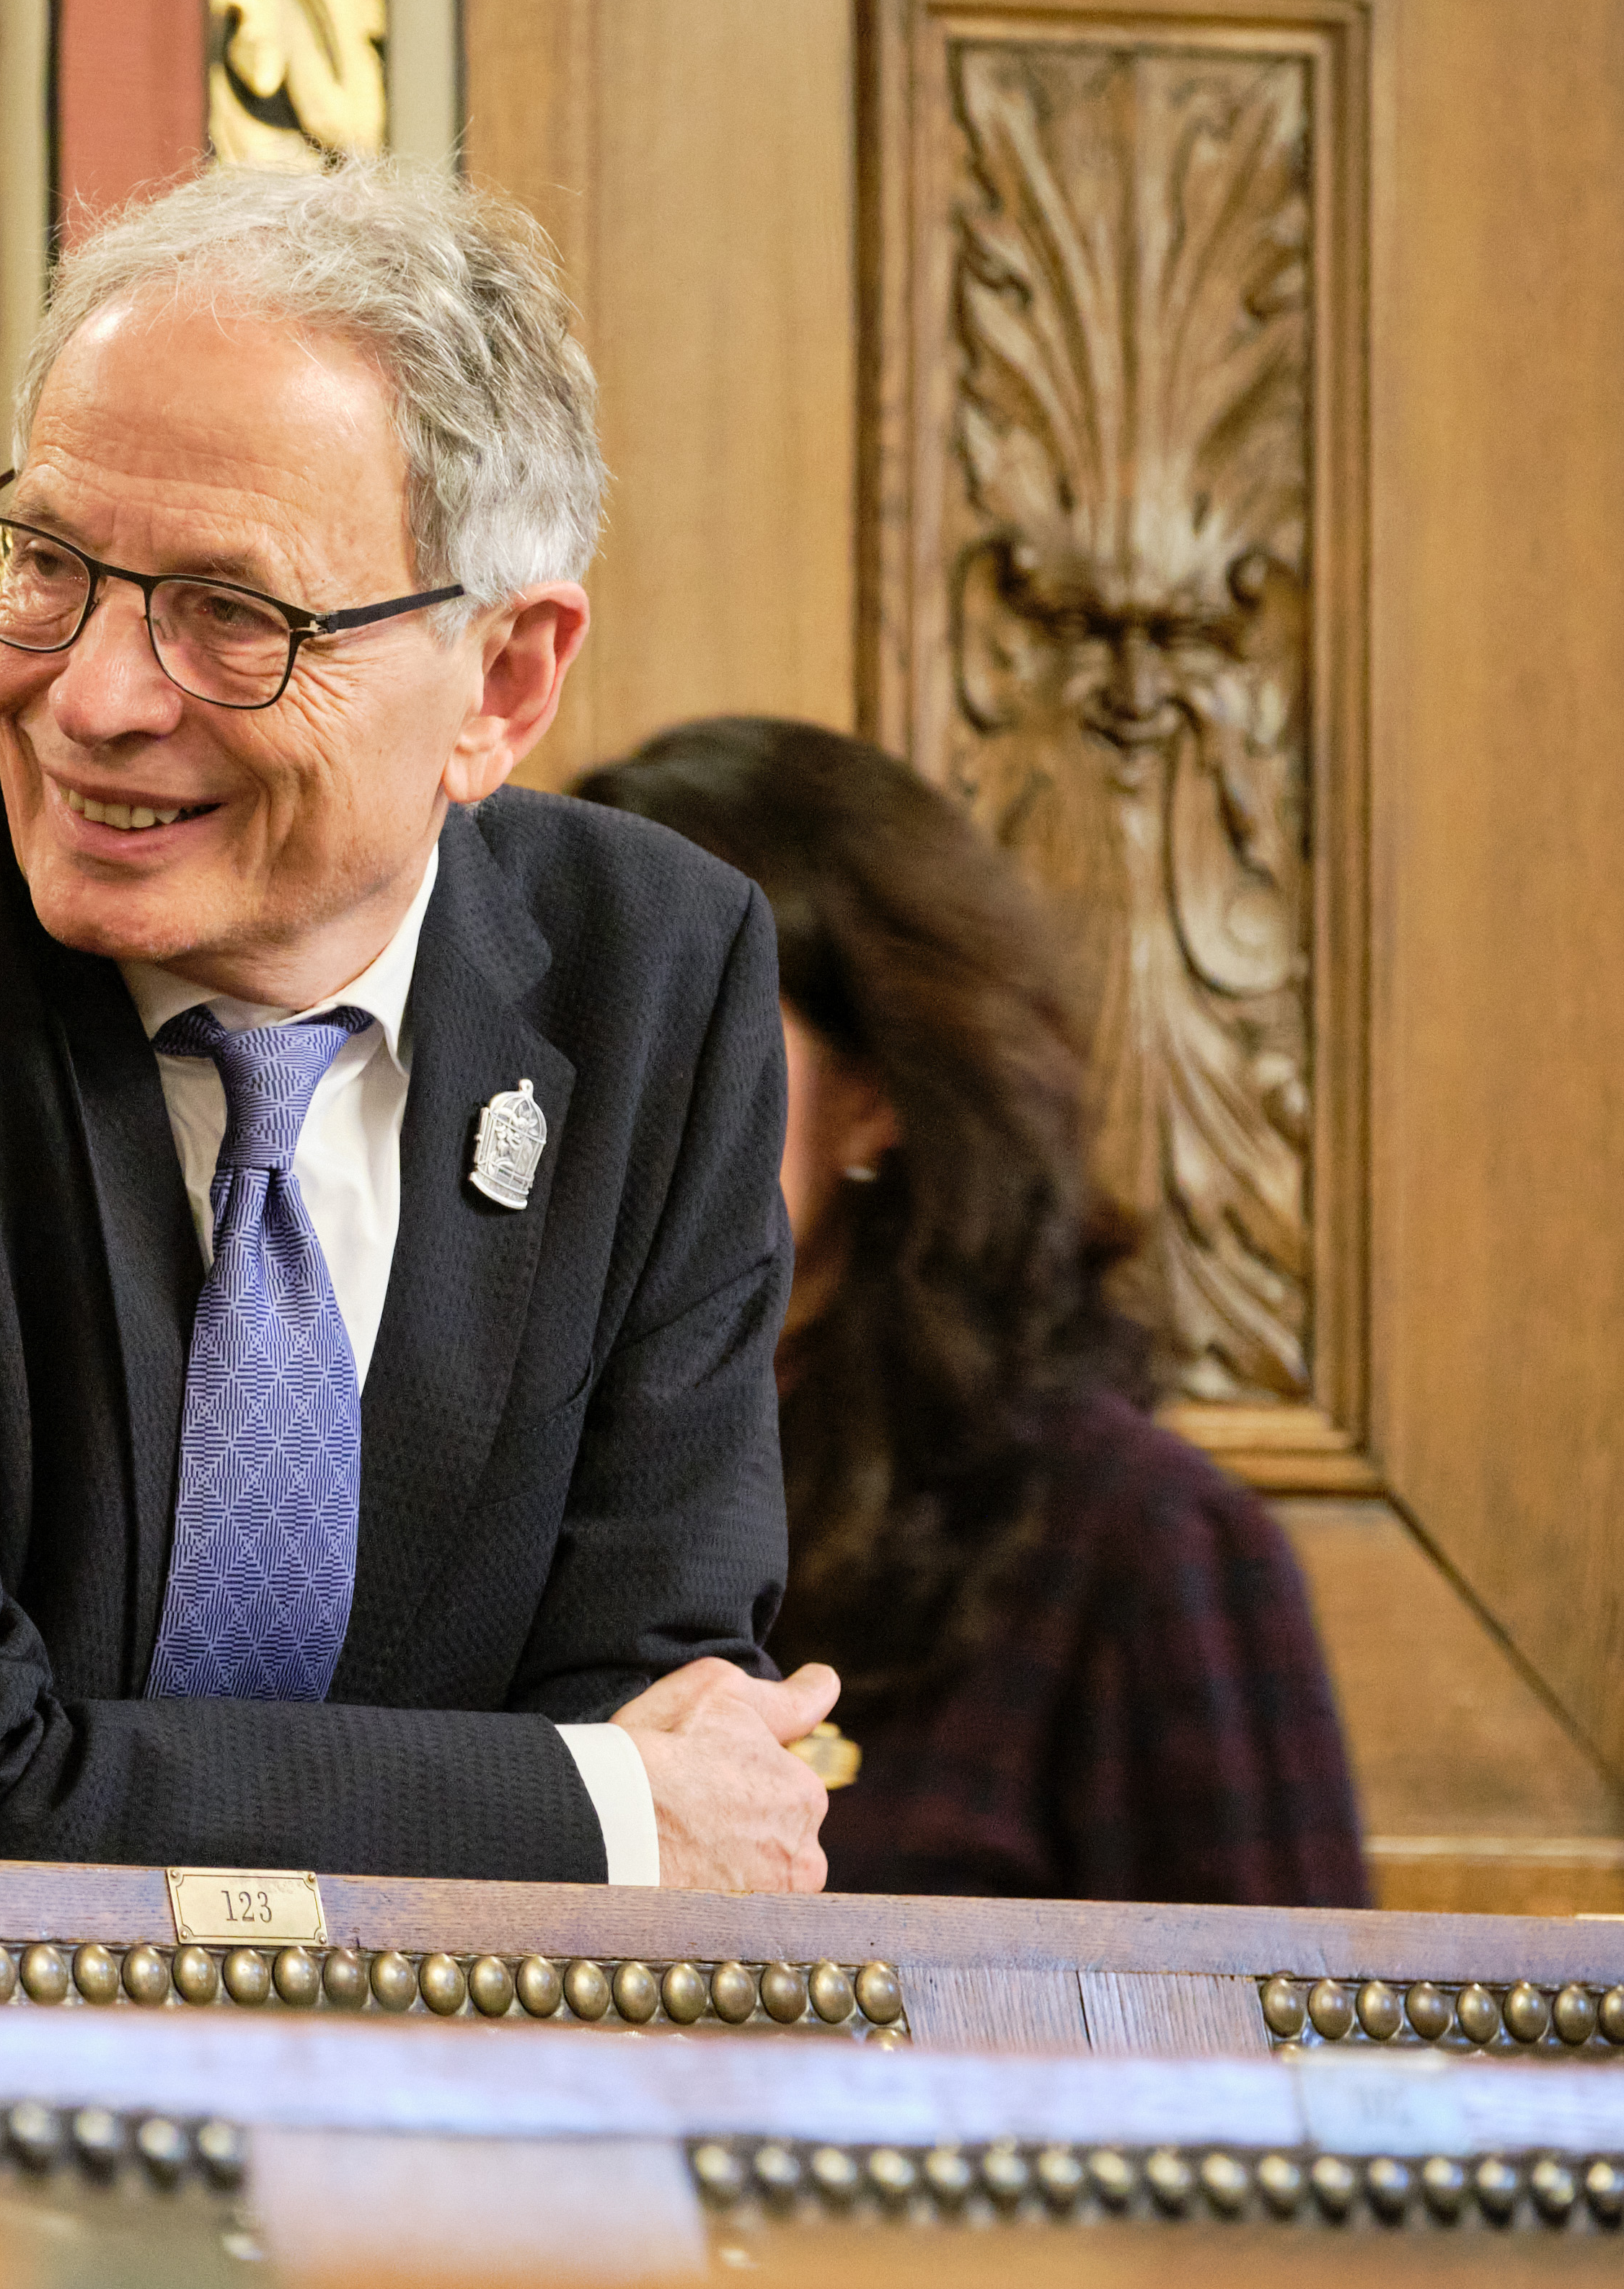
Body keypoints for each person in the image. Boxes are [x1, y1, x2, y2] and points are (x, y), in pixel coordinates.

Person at [0, 158, 836, 1888]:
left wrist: (605, 1781)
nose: (91, 697)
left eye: (233, 616)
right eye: (48, 564)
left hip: (471, 2065)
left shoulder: (655, 974)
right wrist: (584, 1809)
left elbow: (657, 1679)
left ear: (503, 681)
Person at [575, 717, 1368, 1905]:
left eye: (678, 1034)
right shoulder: (495, 1485)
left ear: (872, 1098)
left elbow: (1288, 2017)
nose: (598, 1102)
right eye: (566, 1033)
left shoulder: (1139, 1547)